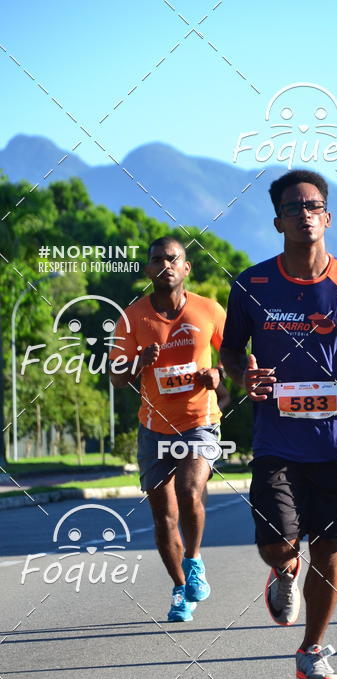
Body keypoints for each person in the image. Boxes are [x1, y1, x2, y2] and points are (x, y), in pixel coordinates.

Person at [220, 169, 337, 679]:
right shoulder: (252, 284)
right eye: (295, 207)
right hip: (276, 437)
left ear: (328, 217)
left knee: (328, 547)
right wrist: (244, 375)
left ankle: (312, 650)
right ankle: (283, 569)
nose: (305, 214)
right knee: (279, 540)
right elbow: (231, 350)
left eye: (314, 205)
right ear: (278, 220)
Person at [110, 236, 225, 623]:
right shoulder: (132, 317)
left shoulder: (208, 310)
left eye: (173, 258)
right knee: (163, 518)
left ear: (186, 267)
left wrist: (218, 374)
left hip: (199, 421)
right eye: (157, 259)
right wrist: (140, 362)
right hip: (154, 427)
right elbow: (116, 377)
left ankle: (193, 562)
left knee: (191, 490)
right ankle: (180, 588)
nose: (165, 265)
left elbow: (235, 358)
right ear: (148, 268)